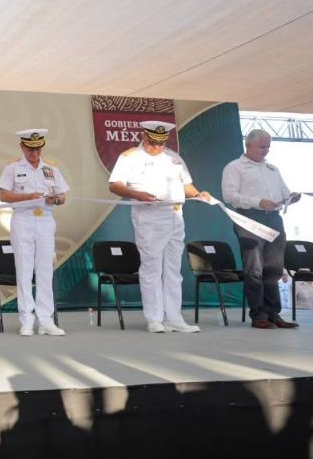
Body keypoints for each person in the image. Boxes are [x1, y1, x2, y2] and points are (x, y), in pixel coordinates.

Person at [108, 121, 210, 333]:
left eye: (161, 143)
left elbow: (186, 185)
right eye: (153, 142)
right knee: (151, 268)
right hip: (149, 216)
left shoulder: (173, 158)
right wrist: (137, 195)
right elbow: (114, 184)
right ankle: (154, 318)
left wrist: (198, 194)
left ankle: (174, 317)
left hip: (175, 215)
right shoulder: (130, 157)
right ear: (144, 137)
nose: (157, 147)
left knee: (173, 269)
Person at [221, 129, 300, 329]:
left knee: (273, 269)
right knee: (254, 268)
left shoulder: (272, 169)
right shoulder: (235, 167)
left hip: (274, 219)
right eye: (262, 147)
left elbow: (284, 193)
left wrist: (291, 198)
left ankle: (274, 313)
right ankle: (258, 315)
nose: (266, 151)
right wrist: (258, 202)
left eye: (268, 147)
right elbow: (229, 196)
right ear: (248, 146)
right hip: (249, 219)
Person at [0, 129, 69, 336]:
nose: (34, 153)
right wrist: (28, 196)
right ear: (22, 147)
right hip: (23, 219)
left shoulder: (51, 168)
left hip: (45, 219)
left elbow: (63, 197)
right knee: (24, 269)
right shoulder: (13, 167)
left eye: (38, 149)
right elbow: (4, 195)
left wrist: (55, 199)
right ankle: (26, 319)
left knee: (45, 270)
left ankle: (46, 320)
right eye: (30, 149)